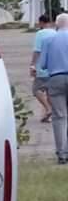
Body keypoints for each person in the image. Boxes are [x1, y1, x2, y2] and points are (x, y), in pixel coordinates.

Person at [38, 13, 68, 164]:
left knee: (59, 117)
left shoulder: (48, 40)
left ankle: (62, 154)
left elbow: (42, 65)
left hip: (56, 79)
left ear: (56, 25)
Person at [30, 15, 56, 123]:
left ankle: (48, 109)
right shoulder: (55, 33)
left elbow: (37, 51)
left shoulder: (40, 34)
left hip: (42, 67)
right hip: (54, 68)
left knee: (36, 89)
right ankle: (50, 115)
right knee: (50, 92)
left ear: (41, 22)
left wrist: (32, 64)